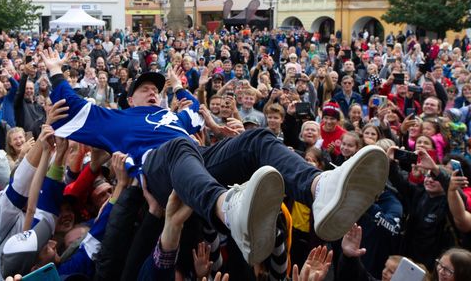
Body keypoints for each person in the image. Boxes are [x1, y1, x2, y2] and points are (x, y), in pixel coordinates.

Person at [41, 48, 389, 263]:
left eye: (155, 90)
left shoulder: (171, 115)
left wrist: (178, 86)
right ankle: (228, 208)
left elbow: (191, 105)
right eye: (144, 89)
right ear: (129, 98)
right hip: (159, 175)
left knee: (256, 139)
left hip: (194, 161)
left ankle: (319, 188)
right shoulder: (115, 119)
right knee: (178, 147)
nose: (151, 93)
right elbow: (72, 106)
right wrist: (56, 71)